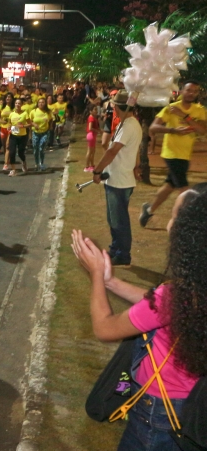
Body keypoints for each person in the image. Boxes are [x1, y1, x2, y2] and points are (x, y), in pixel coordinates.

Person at [70, 192, 207, 451]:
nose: (169, 222)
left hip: (157, 410)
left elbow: (104, 327)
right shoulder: (194, 290)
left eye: (176, 216)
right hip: (189, 404)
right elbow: (158, 306)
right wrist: (111, 282)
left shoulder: (175, 295)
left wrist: (97, 275)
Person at [140, 80, 207, 228]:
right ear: (182, 91)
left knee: (169, 186)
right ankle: (186, 221)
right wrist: (173, 130)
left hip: (185, 154)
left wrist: (184, 117)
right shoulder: (171, 108)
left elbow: (202, 130)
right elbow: (153, 127)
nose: (191, 93)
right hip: (171, 153)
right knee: (185, 190)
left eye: (195, 91)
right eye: (188, 90)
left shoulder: (199, 110)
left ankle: (148, 210)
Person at [91, 91, 142, 266]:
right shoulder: (126, 123)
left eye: (113, 106)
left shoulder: (129, 125)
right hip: (117, 178)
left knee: (119, 219)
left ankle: (122, 254)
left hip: (120, 180)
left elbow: (112, 151)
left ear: (118, 107)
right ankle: (115, 249)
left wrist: (97, 170)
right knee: (114, 218)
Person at [29, 97, 53, 171]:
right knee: (35, 149)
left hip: (45, 132)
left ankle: (41, 163)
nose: (41, 104)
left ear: (45, 103)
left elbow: (51, 119)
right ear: (37, 103)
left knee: (41, 148)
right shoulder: (33, 111)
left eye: (43, 102)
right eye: (39, 102)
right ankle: (36, 163)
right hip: (35, 133)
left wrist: (50, 127)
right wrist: (34, 125)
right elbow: (29, 121)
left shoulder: (48, 112)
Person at [6, 98, 29, 176]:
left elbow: (30, 124)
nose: (17, 105)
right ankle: (13, 170)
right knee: (12, 152)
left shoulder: (25, 113)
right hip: (13, 135)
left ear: (22, 105)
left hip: (22, 136)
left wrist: (22, 126)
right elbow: (9, 123)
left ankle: (24, 162)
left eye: (19, 103)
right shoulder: (11, 114)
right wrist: (8, 127)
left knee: (20, 152)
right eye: (16, 103)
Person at [85, 104, 100, 172]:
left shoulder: (94, 117)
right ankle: (87, 166)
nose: (96, 111)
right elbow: (90, 128)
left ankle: (92, 165)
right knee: (90, 151)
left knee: (93, 151)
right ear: (91, 111)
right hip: (91, 135)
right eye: (95, 109)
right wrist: (97, 131)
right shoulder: (91, 117)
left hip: (93, 135)